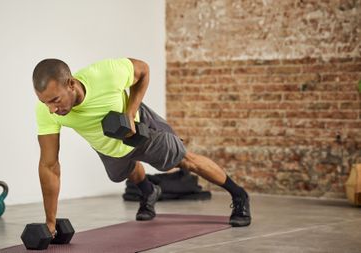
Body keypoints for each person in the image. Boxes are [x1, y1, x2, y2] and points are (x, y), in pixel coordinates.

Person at [32, 57, 251, 235]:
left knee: (184, 160)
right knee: (123, 173)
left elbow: (143, 69)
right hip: (109, 148)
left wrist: (129, 112)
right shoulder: (47, 112)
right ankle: (149, 191)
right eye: (45, 102)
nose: (51, 109)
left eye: (55, 100)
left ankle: (239, 195)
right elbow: (49, 165)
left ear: (70, 84)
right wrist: (50, 222)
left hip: (139, 130)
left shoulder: (105, 74)